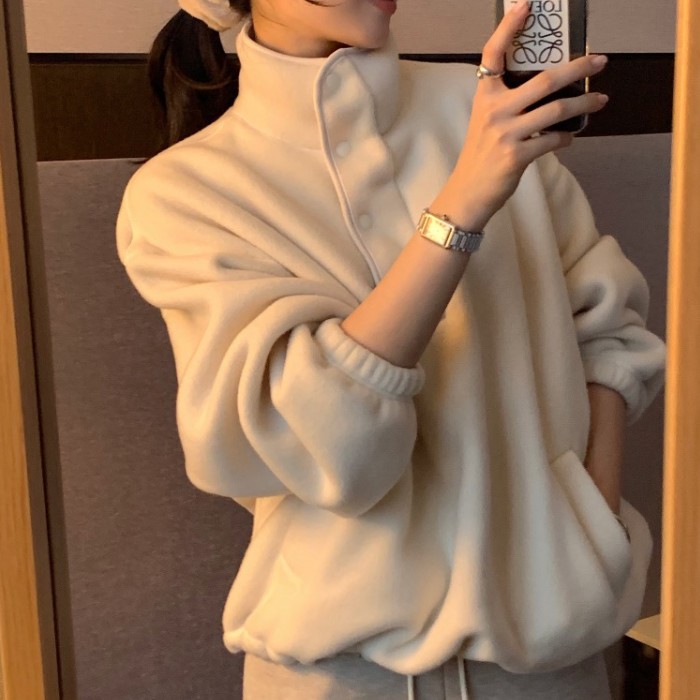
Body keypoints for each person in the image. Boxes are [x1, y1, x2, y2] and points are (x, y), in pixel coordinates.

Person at [115, 0, 666, 697]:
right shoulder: (184, 194)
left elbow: (607, 328)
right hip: (341, 673)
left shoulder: (486, 109)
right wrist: (462, 204)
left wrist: (592, 525)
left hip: (548, 659)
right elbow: (334, 451)